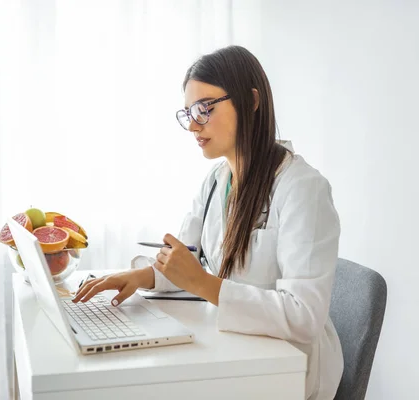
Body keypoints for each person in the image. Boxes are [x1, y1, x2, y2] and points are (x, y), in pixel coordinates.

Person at [72, 45, 343, 400]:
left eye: (205, 108)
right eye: (188, 112)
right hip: (234, 350)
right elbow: (191, 261)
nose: (194, 125)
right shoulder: (217, 180)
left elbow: (304, 316)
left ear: (252, 101)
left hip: (289, 372)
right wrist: (142, 277)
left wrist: (204, 284)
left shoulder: (302, 188)